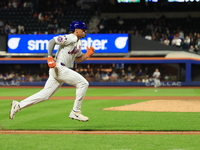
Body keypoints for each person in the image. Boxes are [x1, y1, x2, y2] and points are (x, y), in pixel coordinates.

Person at [9, 21, 95, 122]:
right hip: (60, 68)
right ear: (76, 31)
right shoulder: (71, 37)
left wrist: (87, 55)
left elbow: (78, 59)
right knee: (83, 83)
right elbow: (52, 41)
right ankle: (76, 112)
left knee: (45, 95)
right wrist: (50, 57)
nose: (85, 31)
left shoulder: (78, 42)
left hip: (59, 70)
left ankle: (18, 105)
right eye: (83, 29)